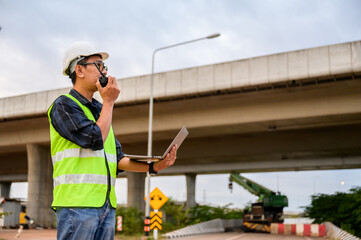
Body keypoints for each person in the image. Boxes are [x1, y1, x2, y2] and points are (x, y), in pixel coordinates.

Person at [48, 41, 177, 240]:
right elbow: (94, 138)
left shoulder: (100, 111)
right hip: (77, 205)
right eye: (98, 65)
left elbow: (117, 159)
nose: (104, 71)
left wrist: (155, 166)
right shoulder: (64, 105)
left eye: (104, 66)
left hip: (105, 206)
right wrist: (108, 101)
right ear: (79, 70)